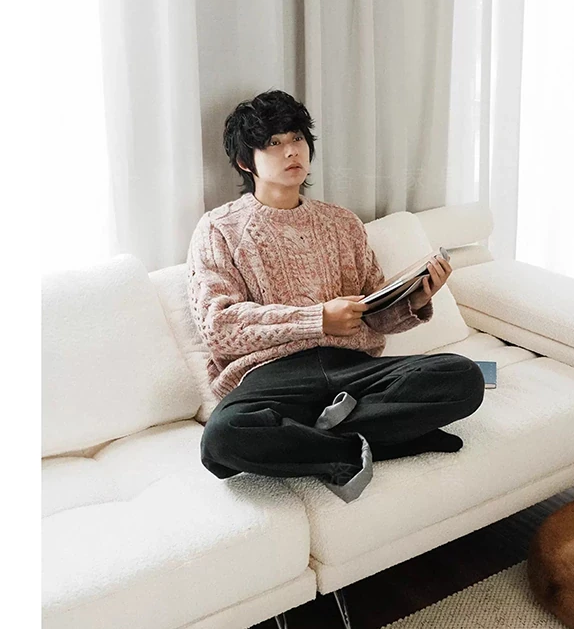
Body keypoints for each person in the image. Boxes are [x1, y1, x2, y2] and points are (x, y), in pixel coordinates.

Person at [187, 89, 485, 502]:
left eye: (297, 138)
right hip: (273, 379)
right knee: (222, 439)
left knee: (464, 377)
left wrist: (415, 300)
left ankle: (321, 439)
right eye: (273, 142)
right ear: (244, 162)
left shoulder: (342, 223)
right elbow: (219, 326)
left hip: (353, 369)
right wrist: (317, 319)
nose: (291, 150)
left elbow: (374, 313)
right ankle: (369, 444)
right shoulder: (218, 229)